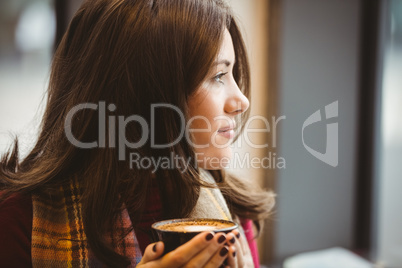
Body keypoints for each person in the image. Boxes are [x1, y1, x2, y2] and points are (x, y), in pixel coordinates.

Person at [0, 0, 275, 267]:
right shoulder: (20, 221)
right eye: (218, 76)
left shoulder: (233, 213)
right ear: (146, 95)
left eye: (232, 74)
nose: (241, 101)